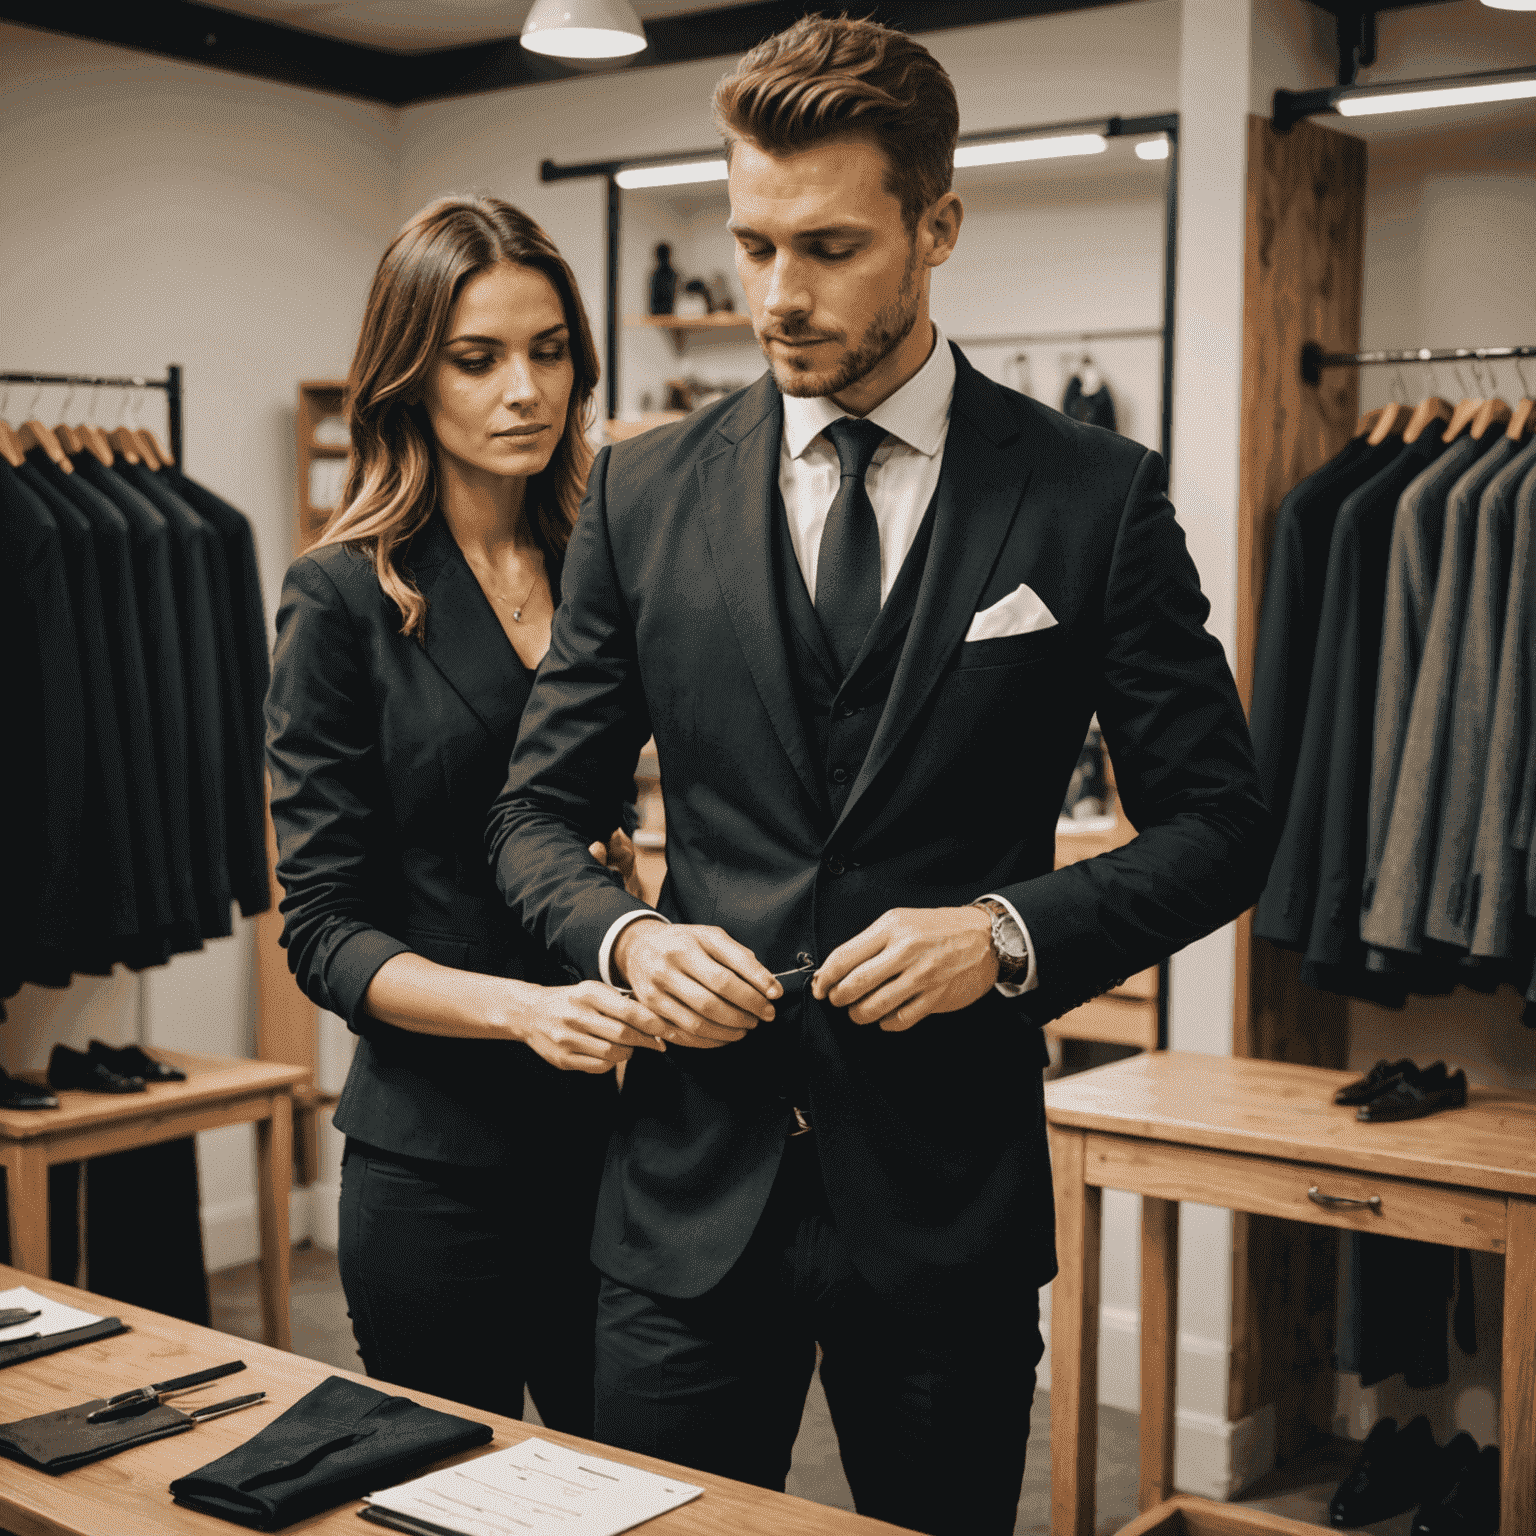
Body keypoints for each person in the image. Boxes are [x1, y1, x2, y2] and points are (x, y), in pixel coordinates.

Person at [487, 18, 1272, 1535]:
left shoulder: (1088, 497)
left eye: (831, 247)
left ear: (938, 228)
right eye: (755, 242)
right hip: (684, 1197)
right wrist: (629, 937)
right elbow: (531, 818)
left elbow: (1225, 825)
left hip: (944, 1203)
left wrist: (1005, 935)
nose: (777, 295)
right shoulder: (642, 491)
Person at [266, 195, 666, 1431]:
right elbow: (322, 928)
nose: (524, 391)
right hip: (438, 1162)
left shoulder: (610, 568)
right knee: (458, 1503)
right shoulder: (342, 599)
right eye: (477, 358)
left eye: (550, 352)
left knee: (647, 1490)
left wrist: (638, 894)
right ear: (408, 376)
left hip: (618, 1143)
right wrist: (523, 1012)